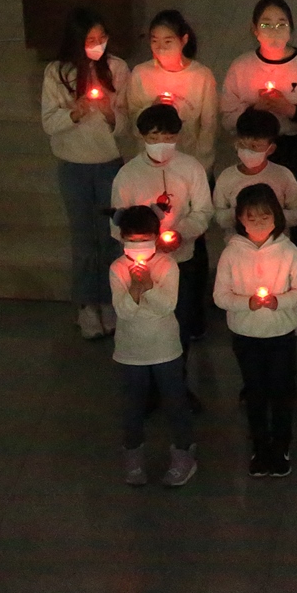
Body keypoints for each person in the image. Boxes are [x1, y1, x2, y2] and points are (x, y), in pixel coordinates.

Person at [220, 0, 297, 337]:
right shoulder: (242, 67)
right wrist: (256, 109)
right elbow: (226, 117)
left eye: (281, 23)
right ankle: (247, 289)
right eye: (266, 24)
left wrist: (290, 110)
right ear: (254, 29)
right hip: (255, 148)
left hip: (296, 148)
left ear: (292, 28)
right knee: (255, 216)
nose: (274, 30)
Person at [110, 104, 213, 410]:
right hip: (141, 264)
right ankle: (147, 389)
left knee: (180, 323)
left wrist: (181, 233)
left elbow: (203, 212)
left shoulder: (191, 168)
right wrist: (146, 242)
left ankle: (177, 385)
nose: (161, 143)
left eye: (168, 136)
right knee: (145, 322)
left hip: (182, 260)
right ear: (142, 136)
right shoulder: (128, 174)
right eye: (154, 137)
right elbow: (116, 223)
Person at [212, 183, 297, 477]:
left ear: (276, 216)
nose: (258, 223)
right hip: (245, 335)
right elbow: (220, 296)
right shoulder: (232, 253)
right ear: (240, 219)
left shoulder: (287, 250)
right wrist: (248, 303)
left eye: (265, 217)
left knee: (281, 391)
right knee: (255, 392)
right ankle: (259, 447)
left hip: (281, 334)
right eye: (251, 218)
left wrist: (278, 301)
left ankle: (281, 446)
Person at [42, 8, 129, 339]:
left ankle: (109, 300)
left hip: (109, 163)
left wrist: (109, 114)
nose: (98, 44)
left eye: (102, 38)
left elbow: (128, 124)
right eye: (91, 40)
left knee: (111, 237)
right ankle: (86, 305)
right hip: (73, 165)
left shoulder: (117, 68)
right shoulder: (56, 72)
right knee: (83, 239)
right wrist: (73, 114)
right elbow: (49, 122)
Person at [109, 205, 195, 487]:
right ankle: (133, 456)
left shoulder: (167, 265)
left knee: (175, 402)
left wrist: (147, 286)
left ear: (156, 237)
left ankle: (183, 453)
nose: (138, 246)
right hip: (130, 351)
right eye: (131, 241)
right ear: (122, 238)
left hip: (165, 348)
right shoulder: (117, 268)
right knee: (132, 406)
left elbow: (166, 306)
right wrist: (135, 290)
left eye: (144, 240)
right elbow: (123, 311)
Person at [127, 10, 218, 172]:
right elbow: (133, 118)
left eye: (168, 41)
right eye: (155, 41)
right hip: (151, 164)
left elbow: (208, 126)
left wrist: (201, 165)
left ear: (184, 40)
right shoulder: (141, 73)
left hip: (188, 161)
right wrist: (152, 108)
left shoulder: (201, 76)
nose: (160, 48)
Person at [213, 108, 297, 233]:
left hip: (276, 242)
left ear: (271, 149)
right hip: (239, 242)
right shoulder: (227, 176)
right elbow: (218, 215)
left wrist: (272, 214)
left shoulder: (282, 175)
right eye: (242, 145)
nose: (248, 150)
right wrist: (242, 212)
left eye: (255, 146)